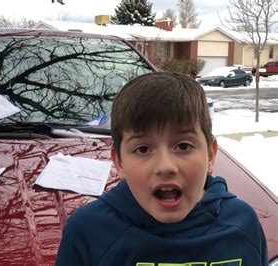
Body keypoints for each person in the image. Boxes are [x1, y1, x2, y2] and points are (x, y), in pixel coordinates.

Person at [55, 72, 268, 265]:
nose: (165, 166)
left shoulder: (242, 223)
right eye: (143, 149)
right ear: (119, 161)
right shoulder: (87, 232)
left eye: (183, 146)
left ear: (210, 154)